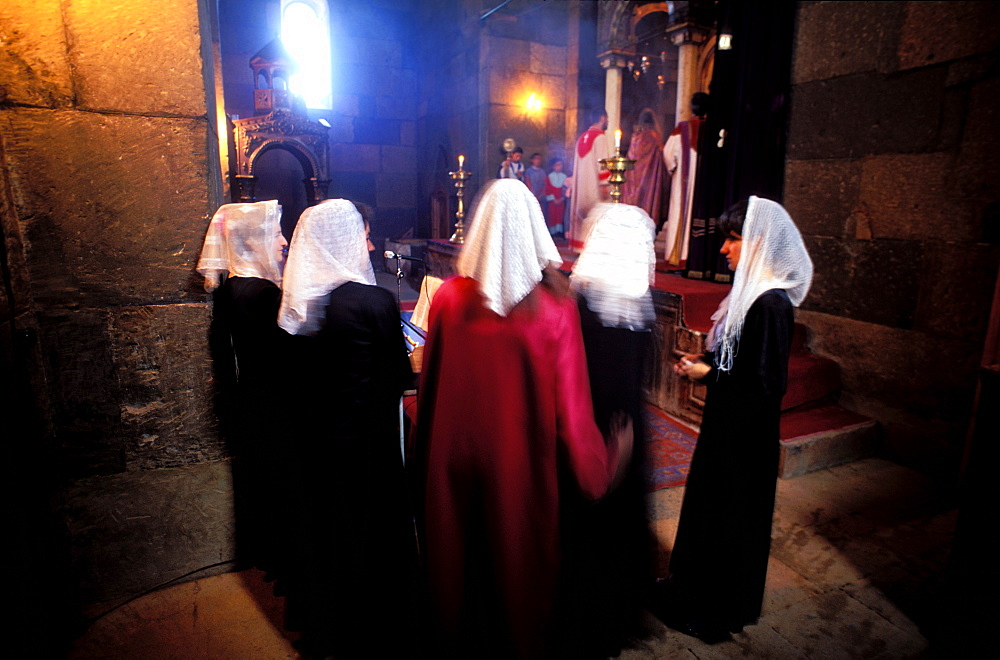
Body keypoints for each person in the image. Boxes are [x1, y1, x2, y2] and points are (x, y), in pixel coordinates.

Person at [416, 179, 632, 659]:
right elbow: (572, 414)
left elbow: (428, 387)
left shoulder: (449, 299)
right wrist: (601, 466)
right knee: (516, 568)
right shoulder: (557, 310)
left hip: (452, 464)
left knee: (459, 568)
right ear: (535, 229)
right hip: (519, 472)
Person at [662, 196, 813, 642]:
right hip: (727, 427)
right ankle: (690, 587)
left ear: (760, 242)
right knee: (709, 508)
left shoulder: (771, 303)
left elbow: (764, 383)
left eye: (733, 239)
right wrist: (706, 359)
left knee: (729, 517)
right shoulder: (749, 295)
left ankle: (716, 611)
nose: (724, 249)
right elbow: (739, 359)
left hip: (745, 438)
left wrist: (709, 372)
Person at [277, 199, 416, 658]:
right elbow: (399, 373)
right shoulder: (371, 300)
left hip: (319, 437)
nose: (372, 245)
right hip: (367, 441)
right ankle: (374, 629)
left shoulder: (297, 299)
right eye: (364, 235)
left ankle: (328, 624)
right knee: (371, 533)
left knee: (330, 529)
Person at [557, 203, 657, 658]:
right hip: (620, 428)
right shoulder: (632, 301)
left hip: (587, 423)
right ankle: (611, 613)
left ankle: (586, 611)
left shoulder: (582, 297)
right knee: (614, 521)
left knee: (587, 521)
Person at [196, 199, 290, 576]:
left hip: (250, 398)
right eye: (276, 233)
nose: (283, 242)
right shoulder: (261, 294)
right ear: (252, 240)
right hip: (272, 401)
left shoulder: (233, 286)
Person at [662, 93, 709, 266]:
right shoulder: (713, 128)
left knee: (681, 214)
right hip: (705, 184)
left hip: (683, 182)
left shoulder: (682, 129)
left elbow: (668, 153)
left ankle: (679, 255)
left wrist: (673, 168)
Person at [568, 109, 611, 250]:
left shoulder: (582, 137)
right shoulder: (600, 137)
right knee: (598, 215)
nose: (608, 121)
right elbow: (603, 163)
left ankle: (580, 247)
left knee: (583, 218)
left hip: (581, 188)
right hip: (595, 188)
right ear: (603, 118)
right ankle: (594, 250)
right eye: (607, 118)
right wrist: (605, 184)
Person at [621, 109, 667, 229]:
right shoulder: (653, 137)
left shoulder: (635, 138)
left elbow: (631, 159)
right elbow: (661, 157)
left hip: (632, 181)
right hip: (648, 182)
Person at [544, 158, 568, 237]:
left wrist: (562, 199)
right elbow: (548, 189)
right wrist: (553, 199)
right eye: (557, 165)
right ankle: (552, 233)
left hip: (561, 200)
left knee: (561, 216)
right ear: (553, 166)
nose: (559, 167)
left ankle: (560, 232)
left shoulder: (565, 177)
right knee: (552, 215)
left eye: (561, 165)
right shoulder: (549, 177)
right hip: (552, 201)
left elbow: (565, 189)